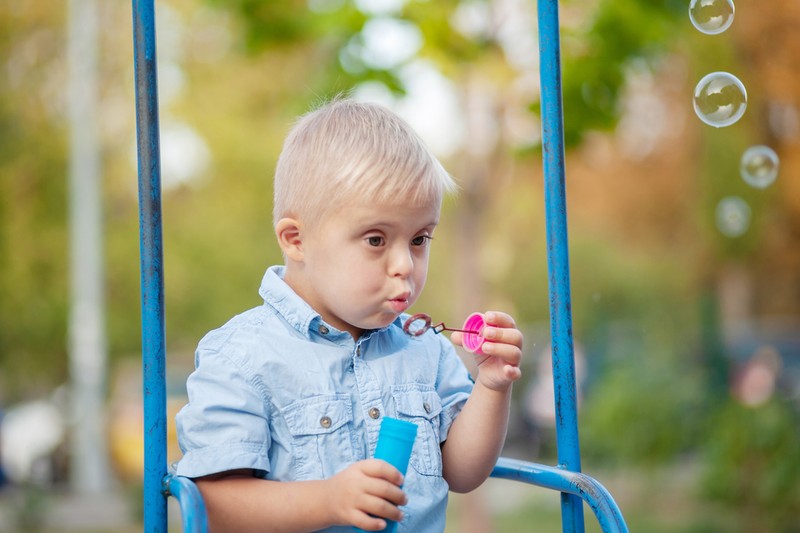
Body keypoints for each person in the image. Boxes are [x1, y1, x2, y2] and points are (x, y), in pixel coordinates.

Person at [174, 98, 524, 533]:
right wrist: (327, 501)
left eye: (419, 239)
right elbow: (214, 503)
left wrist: (491, 385)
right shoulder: (243, 356)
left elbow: (462, 473)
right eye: (376, 239)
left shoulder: (424, 348)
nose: (406, 265)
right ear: (296, 240)